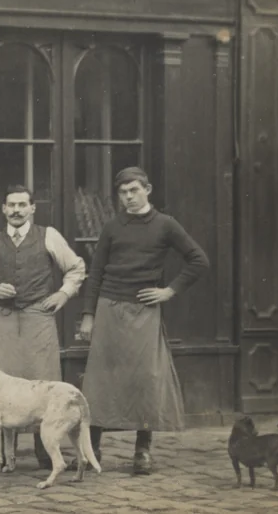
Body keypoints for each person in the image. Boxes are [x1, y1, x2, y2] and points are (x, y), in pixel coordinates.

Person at [79, 166, 209, 475]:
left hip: (144, 311)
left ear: (147, 189)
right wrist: (88, 316)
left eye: (134, 190)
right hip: (110, 307)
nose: (128, 197)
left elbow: (199, 260)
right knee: (99, 380)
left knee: (145, 380)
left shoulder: (166, 225)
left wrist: (169, 291)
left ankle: (142, 451)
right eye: (123, 192)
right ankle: (90, 450)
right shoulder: (112, 226)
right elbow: (95, 273)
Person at [0, 186, 86, 470]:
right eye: (11, 205)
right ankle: (1, 455)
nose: (16, 211)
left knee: (43, 380)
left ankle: (45, 451)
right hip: (5, 318)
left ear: (33, 208)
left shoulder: (49, 236)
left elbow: (76, 267)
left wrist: (63, 294)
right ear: (3, 209)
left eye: (23, 205)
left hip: (38, 317)